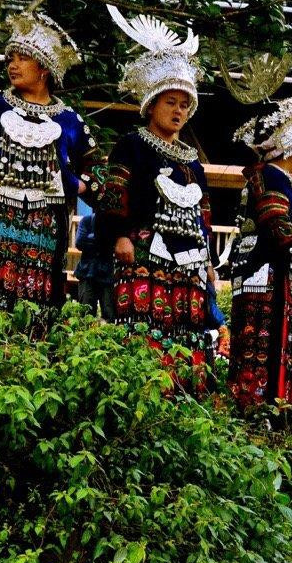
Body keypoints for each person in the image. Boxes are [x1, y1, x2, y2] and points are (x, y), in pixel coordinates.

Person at [98, 12, 217, 393]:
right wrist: (120, 235)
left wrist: (209, 262)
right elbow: (115, 192)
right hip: (145, 252)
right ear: (152, 105)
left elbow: (203, 215)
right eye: (171, 102)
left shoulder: (192, 161)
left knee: (187, 330)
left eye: (185, 104)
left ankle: (183, 401)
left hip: (190, 262)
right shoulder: (132, 145)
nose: (178, 111)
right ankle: (142, 398)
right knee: (144, 325)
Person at [0, 11, 98, 321]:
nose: (12, 65)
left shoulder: (70, 121)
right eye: (10, 59)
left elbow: (99, 173)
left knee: (33, 309)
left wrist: (77, 184)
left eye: (23, 58)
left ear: (44, 69)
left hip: (44, 228)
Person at [227, 99, 292, 414]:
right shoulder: (271, 176)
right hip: (270, 276)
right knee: (267, 343)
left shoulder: (280, 179)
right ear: (290, 150)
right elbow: (274, 219)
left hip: (278, 274)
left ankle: (278, 409)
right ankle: (262, 408)